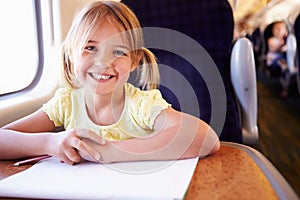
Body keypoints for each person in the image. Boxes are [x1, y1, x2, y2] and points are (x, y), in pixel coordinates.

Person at [0, 1, 220, 165]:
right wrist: (50, 143)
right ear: (70, 54)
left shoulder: (141, 105)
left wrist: (111, 151)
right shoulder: (65, 103)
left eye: (118, 51)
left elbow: (207, 139)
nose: (103, 62)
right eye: (90, 48)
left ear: (134, 61)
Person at [266, 21, 289, 97]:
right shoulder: (271, 40)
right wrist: (283, 43)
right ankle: (284, 89)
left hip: (283, 59)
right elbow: (274, 49)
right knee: (282, 65)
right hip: (273, 61)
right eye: (277, 28)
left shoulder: (286, 40)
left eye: (281, 28)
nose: (279, 30)